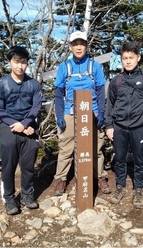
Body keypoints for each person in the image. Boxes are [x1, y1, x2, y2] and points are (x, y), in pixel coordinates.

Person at [53, 31, 111, 196]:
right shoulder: (65, 67)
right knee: (66, 147)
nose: (79, 47)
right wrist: (59, 115)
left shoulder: (95, 66)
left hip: (91, 109)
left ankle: (100, 176)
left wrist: (100, 113)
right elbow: (58, 93)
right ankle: (61, 179)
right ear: (70, 47)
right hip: (70, 110)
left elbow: (101, 91)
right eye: (75, 44)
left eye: (82, 44)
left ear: (86, 46)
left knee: (95, 146)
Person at [0, 46, 45, 215]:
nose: (20, 66)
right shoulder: (1, 83)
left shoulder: (33, 84)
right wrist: (18, 125)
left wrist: (26, 123)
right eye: (16, 62)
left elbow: (37, 106)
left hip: (28, 125)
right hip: (8, 126)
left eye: (23, 62)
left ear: (27, 63)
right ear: (9, 62)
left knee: (28, 165)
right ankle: (9, 199)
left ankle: (27, 195)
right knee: (8, 166)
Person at [105, 41, 143, 209]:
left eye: (131, 58)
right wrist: (109, 126)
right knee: (119, 159)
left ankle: (139, 189)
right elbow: (109, 105)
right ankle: (120, 187)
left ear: (138, 58)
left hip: (140, 127)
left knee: (140, 161)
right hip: (119, 127)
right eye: (124, 58)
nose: (127, 61)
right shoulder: (116, 81)